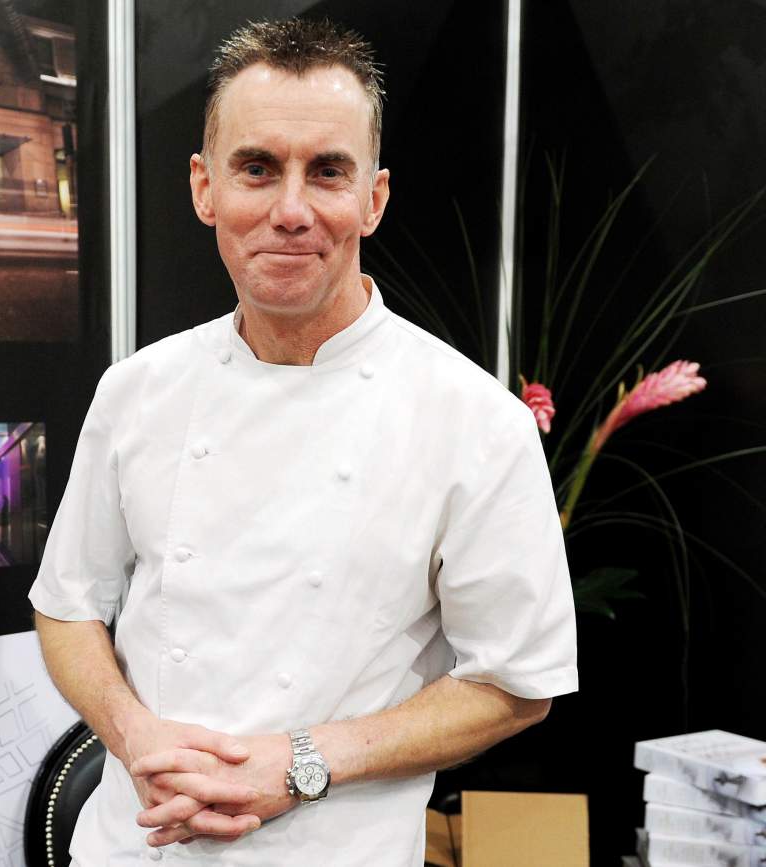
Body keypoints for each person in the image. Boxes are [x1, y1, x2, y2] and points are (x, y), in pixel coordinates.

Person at [28, 18, 578, 867]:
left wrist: (303, 762)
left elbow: (516, 684)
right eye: (257, 168)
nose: (290, 211)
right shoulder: (137, 390)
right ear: (204, 188)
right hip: (130, 847)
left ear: (374, 198)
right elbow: (66, 604)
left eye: (327, 172)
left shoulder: (473, 421)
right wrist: (133, 733)